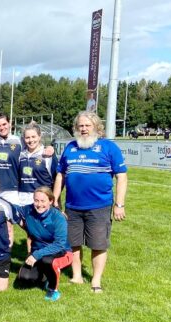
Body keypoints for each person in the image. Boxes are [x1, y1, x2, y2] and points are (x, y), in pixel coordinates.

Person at [53, 111, 127, 293]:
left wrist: (119, 204)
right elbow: (60, 175)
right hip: (72, 206)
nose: (84, 129)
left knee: (98, 244)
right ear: (76, 128)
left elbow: (122, 177)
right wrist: (56, 200)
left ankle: (96, 280)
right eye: (81, 126)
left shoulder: (108, 147)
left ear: (96, 127)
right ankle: (77, 276)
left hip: (99, 207)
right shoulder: (70, 148)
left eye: (87, 125)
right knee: (74, 243)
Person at [17, 186, 73, 301]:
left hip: (61, 252)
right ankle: (45, 275)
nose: (39, 204)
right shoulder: (29, 210)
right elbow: (12, 209)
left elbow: (59, 244)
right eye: (36, 200)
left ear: (51, 201)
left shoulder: (58, 217)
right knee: (25, 278)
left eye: (43, 201)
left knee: (47, 261)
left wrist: (36, 255)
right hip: (39, 252)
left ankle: (53, 290)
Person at [18, 121, 58, 206]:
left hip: (42, 202)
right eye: (27, 137)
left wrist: (54, 199)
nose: (31, 140)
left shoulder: (48, 155)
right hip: (22, 202)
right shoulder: (20, 155)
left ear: (39, 137)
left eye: (33, 137)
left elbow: (56, 179)